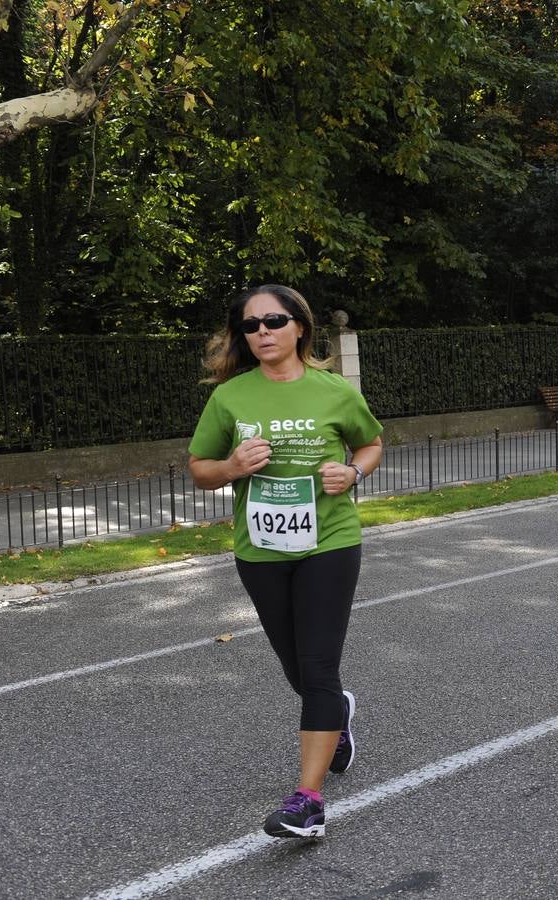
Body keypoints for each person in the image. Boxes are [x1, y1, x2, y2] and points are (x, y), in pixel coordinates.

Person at [188, 285, 383, 839]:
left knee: (317, 666)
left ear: (300, 327)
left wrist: (353, 473)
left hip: (330, 541)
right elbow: (199, 467)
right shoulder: (231, 398)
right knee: (297, 669)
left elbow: (372, 443)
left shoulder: (333, 391)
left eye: (274, 320)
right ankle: (337, 717)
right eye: (250, 326)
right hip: (262, 548)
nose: (263, 332)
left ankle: (309, 801)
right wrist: (231, 467)